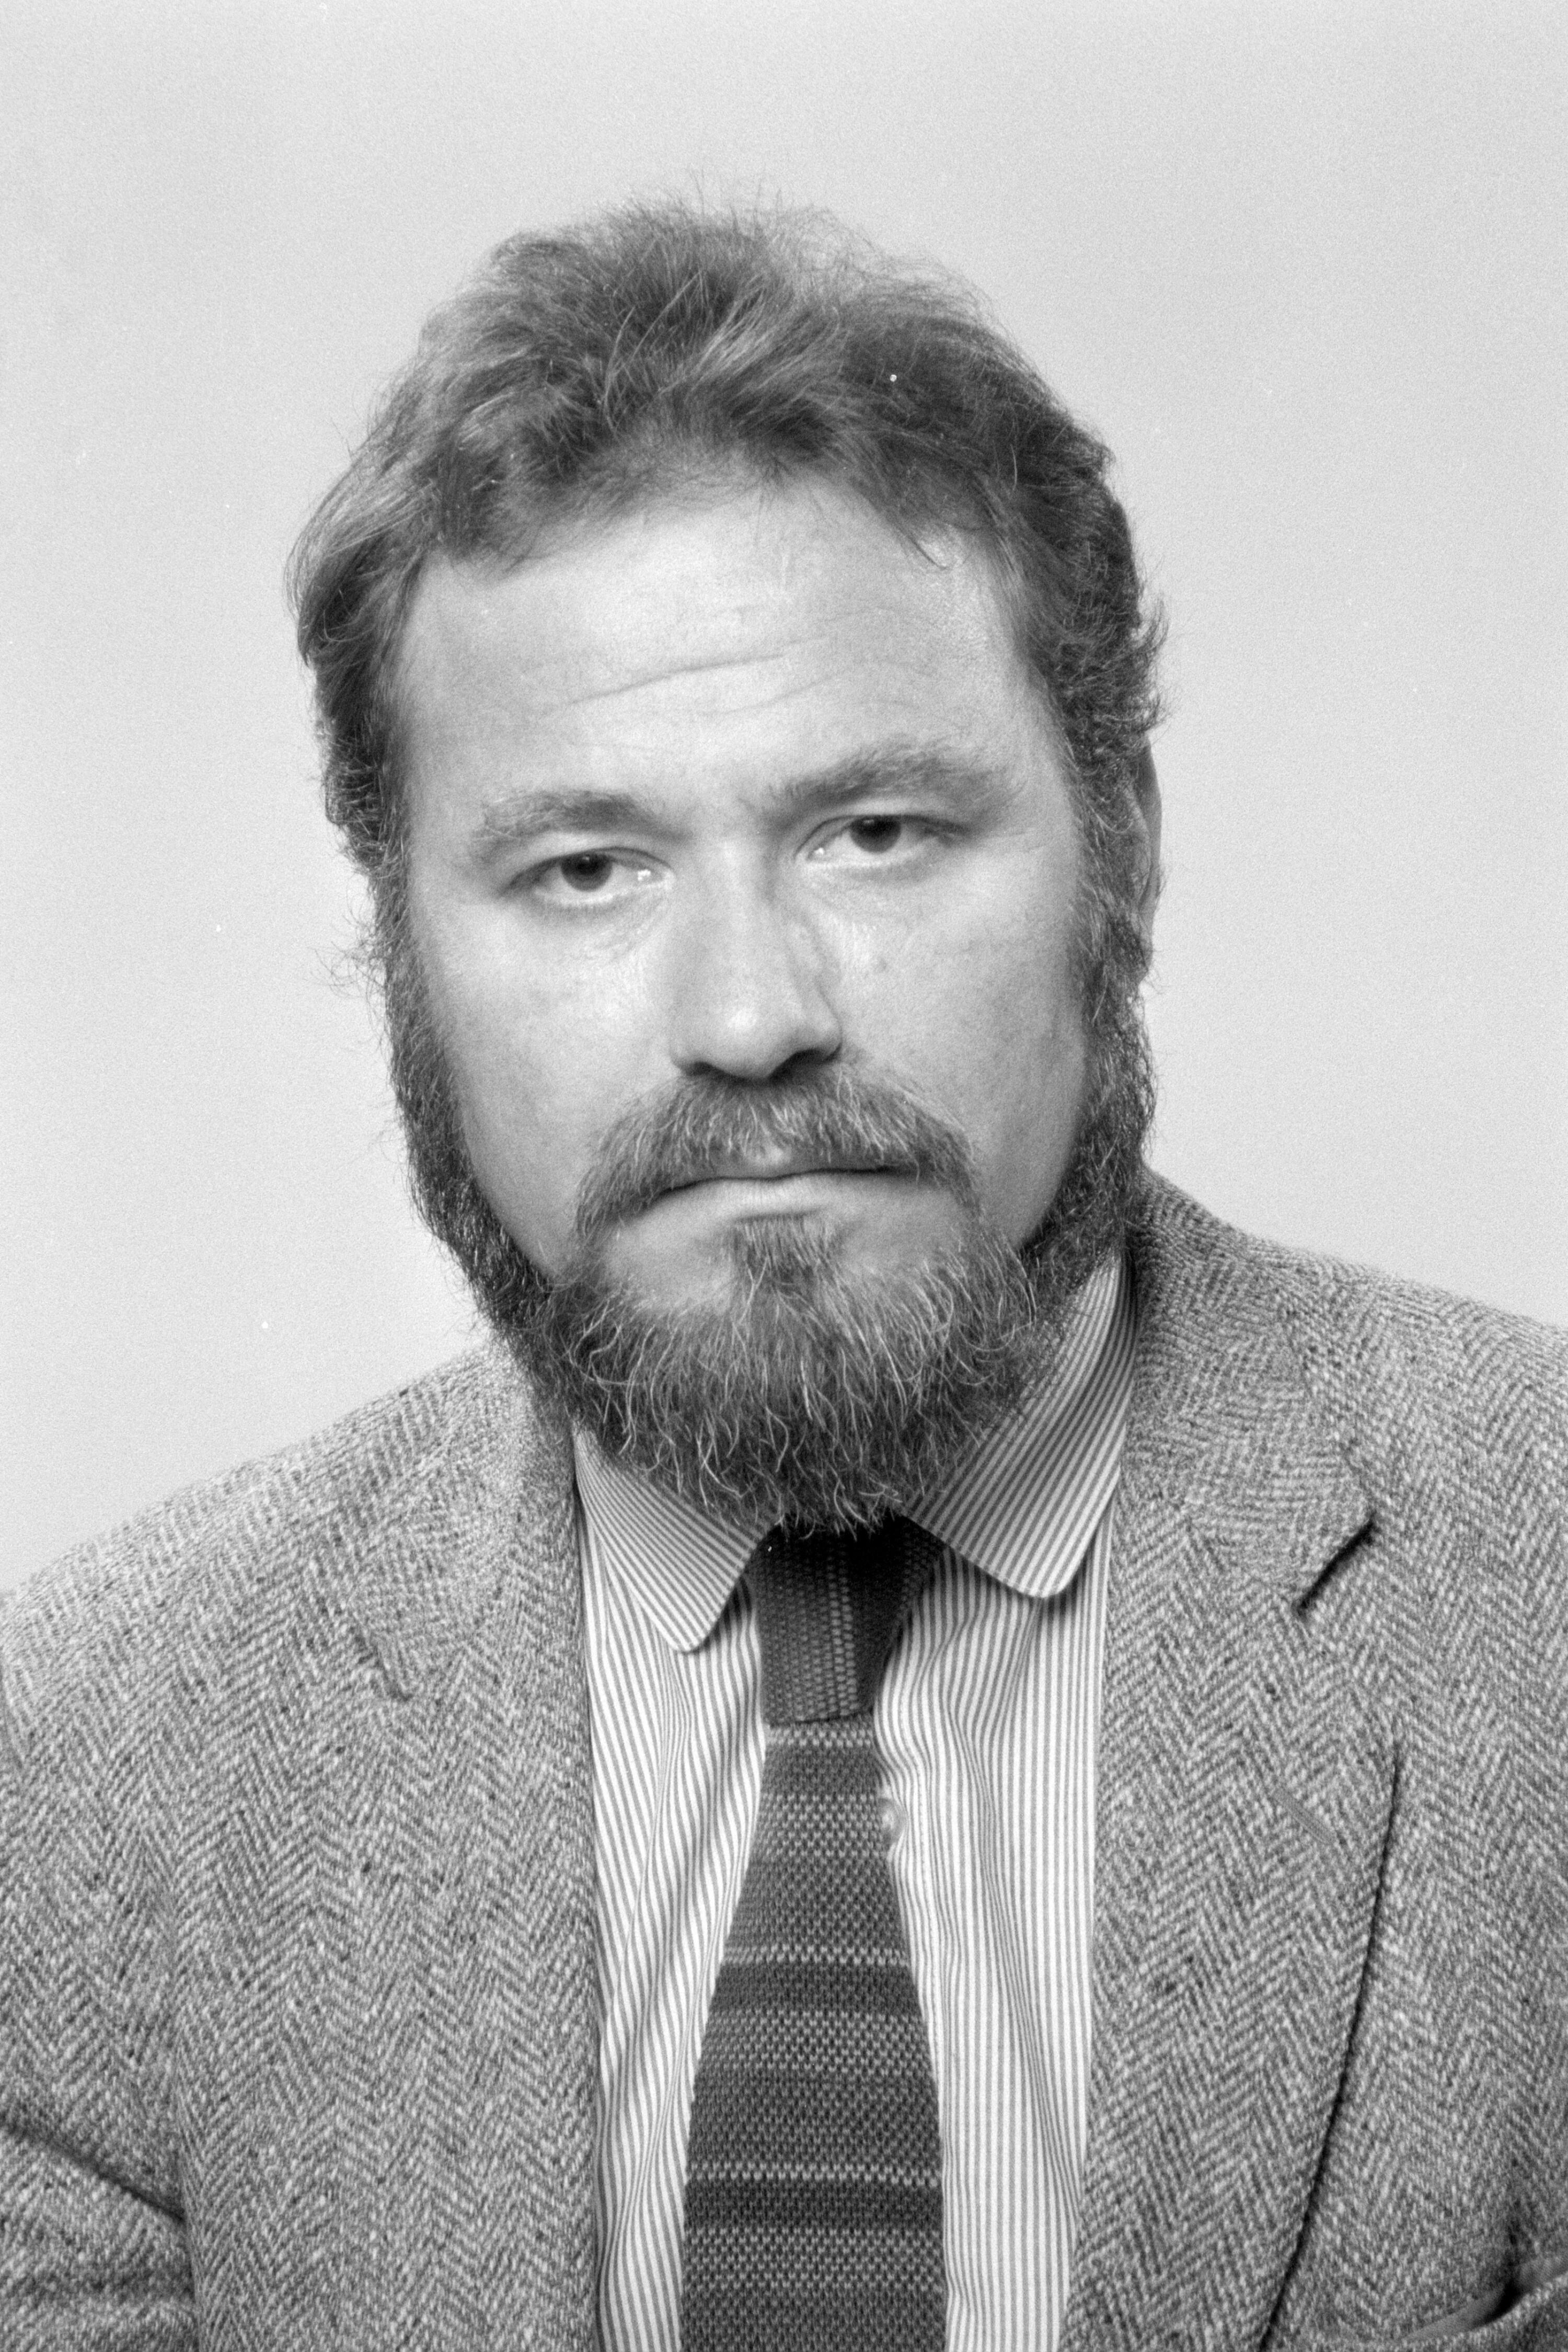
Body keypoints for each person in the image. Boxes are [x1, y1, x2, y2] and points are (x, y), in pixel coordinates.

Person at [2, 202, 1564, 2352]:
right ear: (400, 950)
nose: (750, 1019)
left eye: (876, 833)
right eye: (584, 869)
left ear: (1123, 841)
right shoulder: (75, 1785)